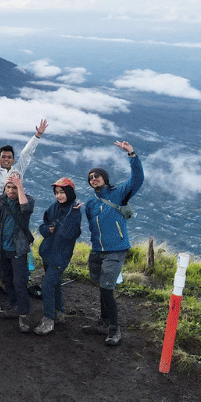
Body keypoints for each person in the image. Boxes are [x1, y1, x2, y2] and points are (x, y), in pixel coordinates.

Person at [84, 140, 144, 347]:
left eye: (97, 176)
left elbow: (137, 179)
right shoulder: (90, 203)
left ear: (105, 178)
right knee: (101, 286)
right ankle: (103, 321)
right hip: (97, 251)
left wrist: (132, 155)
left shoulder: (118, 194)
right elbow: (92, 228)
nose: (94, 179)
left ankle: (114, 328)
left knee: (107, 288)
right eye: (90, 178)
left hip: (116, 250)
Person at [0, 172, 36, 333]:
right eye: (9, 187)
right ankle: (12, 305)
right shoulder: (0, 201)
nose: (11, 191)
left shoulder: (27, 199)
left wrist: (19, 186)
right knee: (7, 279)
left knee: (19, 282)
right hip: (2, 247)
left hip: (19, 249)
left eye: (14, 187)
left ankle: (23, 314)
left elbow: (25, 209)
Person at [34, 178, 83, 335]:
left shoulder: (75, 211)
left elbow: (68, 234)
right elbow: (42, 227)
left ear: (69, 193)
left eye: (62, 192)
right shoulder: (53, 207)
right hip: (48, 252)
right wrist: (47, 229)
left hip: (61, 256)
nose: (59, 196)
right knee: (54, 284)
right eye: (56, 193)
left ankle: (48, 320)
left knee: (47, 285)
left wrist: (72, 214)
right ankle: (59, 312)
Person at [0, 114, 48, 192]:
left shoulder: (18, 170)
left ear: (13, 160)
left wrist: (37, 135)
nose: (6, 159)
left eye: (9, 157)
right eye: (3, 157)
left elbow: (26, 153)